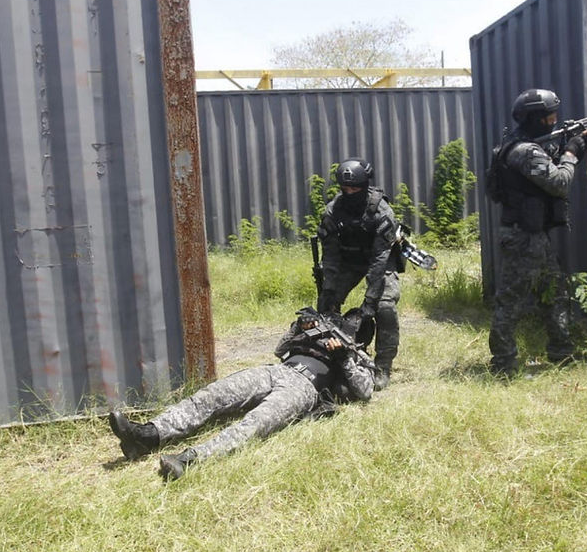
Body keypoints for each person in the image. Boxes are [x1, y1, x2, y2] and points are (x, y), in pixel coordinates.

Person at [108, 308, 375, 481]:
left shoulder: (357, 356)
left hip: (303, 387)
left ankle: (188, 459)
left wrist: (344, 359)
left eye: (354, 326)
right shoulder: (318, 335)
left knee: (255, 424)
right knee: (212, 395)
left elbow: (365, 391)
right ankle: (147, 435)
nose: (348, 325)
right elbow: (280, 349)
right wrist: (298, 327)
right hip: (276, 370)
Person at [487, 88, 587, 376]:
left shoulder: (533, 144)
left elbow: (552, 155)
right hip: (522, 239)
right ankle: (503, 364)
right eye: (548, 116)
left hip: (535, 237)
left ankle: (562, 353)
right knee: (510, 303)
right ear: (533, 118)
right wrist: (572, 153)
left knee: (555, 295)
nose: (554, 120)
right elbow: (559, 182)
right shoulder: (523, 151)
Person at [316, 158, 401, 391]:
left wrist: (369, 302)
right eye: (346, 188)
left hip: (380, 262)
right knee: (326, 303)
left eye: (355, 188)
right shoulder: (333, 211)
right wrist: (330, 290)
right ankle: (326, 356)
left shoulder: (381, 212)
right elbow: (330, 256)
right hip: (349, 261)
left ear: (364, 187)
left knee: (384, 308)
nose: (350, 192)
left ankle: (382, 366)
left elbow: (380, 261)